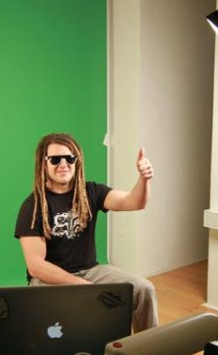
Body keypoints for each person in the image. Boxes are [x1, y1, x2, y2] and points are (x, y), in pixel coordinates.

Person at [14, 133, 159, 332]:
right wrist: (79, 284)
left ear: (77, 161)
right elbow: (36, 267)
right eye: (55, 159)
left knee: (144, 289)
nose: (63, 164)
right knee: (70, 318)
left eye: (69, 158)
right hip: (48, 279)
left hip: (90, 271)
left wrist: (144, 179)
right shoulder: (32, 206)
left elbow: (134, 202)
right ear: (43, 164)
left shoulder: (91, 192)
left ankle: (148, 346)